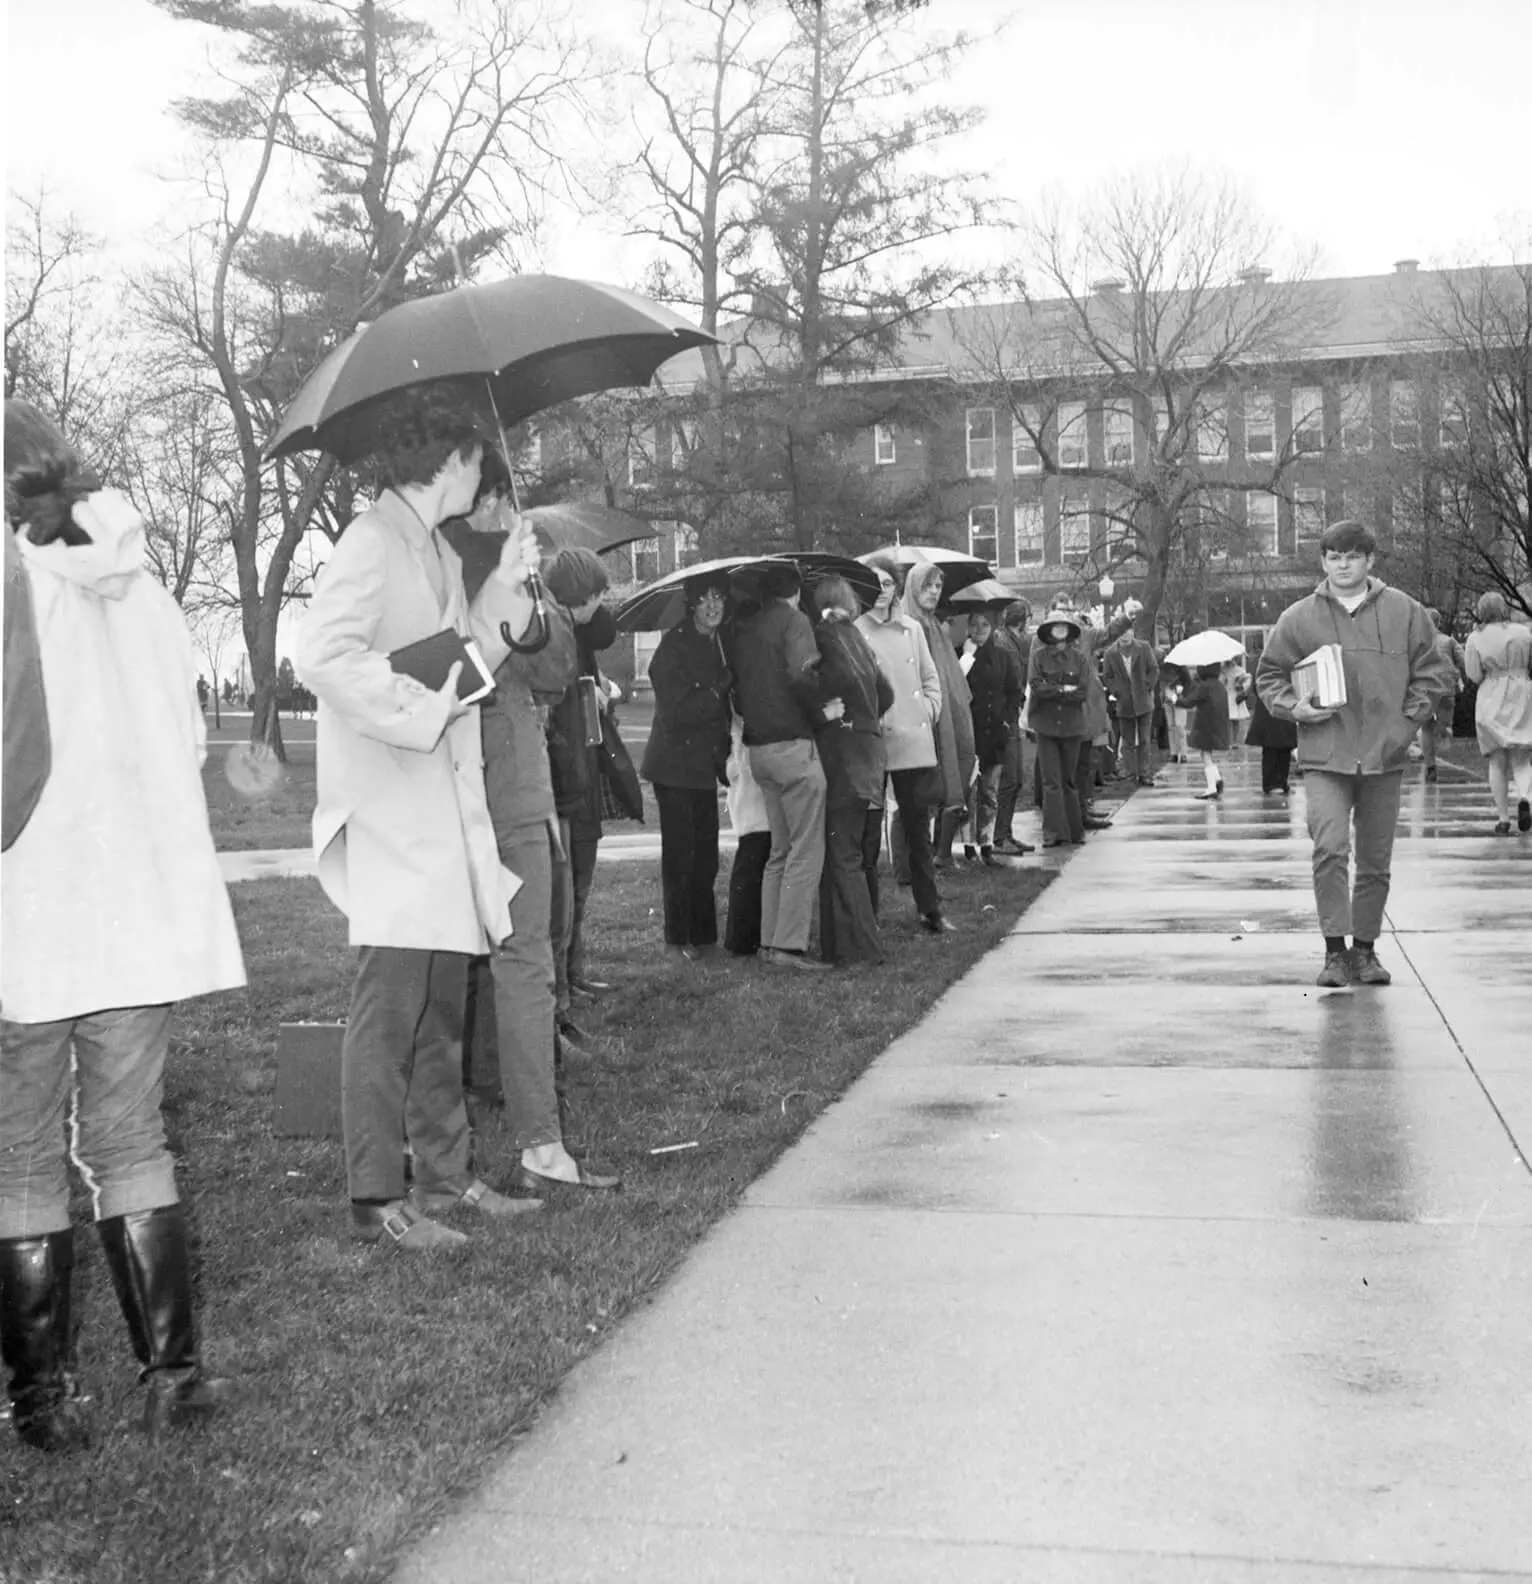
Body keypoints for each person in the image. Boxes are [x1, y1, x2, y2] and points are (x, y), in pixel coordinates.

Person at [2, 399, 246, 1447]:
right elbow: (185, 734)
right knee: (131, 1138)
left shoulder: (12, 584)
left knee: (18, 1155)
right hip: (131, 904)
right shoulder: (140, 582)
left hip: (26, 900)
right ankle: (172, 1379)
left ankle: (40, 1402)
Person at [298, 384, 543, 1251]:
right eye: (478, 458)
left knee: (442, 1006)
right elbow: (322, 656)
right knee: (390, 1009)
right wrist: (418, 704)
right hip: (391, 808)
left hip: (436, 807)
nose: (487, 473)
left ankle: (445, 1177)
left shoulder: (435, 548)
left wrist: (507, 583)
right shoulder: (369, 542)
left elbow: (470, 654)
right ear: (450, 460)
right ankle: (375, 1196)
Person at [441, 494, 619, 1196]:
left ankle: (513, 1121)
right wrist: (517, 598)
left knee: (501, 961)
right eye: (493, 498)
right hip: (493, 779)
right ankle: (521, 1141)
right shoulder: (461, 566)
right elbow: (540, 670)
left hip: (490, 779)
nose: (504, 510)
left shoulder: (474, 566)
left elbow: (552, 666)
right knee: (506, 961)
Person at [1256, 519, 1454, 988]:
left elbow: (1432, 673)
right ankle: (1334, 952)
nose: (1342, 565)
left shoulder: (1406, 612)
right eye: (1333, 557)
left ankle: (1365, 951)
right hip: (1326, 754)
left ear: (1370, 560)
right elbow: (1269, 675)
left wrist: (1405, 726)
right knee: (1329, 848)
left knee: (1375, 859)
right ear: (1323, 562)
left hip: (1384, 756)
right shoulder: (1298, 618)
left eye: (1351, 556)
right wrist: (1293, 707)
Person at [732, 561, 832, 970]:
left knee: (779, 849)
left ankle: (768, 942)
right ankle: (790, 948)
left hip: (759, 752)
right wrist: (824, 710)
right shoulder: (795, 622)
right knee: (806, 848)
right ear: (794, 592)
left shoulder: (747, 629)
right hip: (794, 746)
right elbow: (801, 674)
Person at [542, 548, 620, 1042]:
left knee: (573, 894)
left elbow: (605, 627)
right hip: (561, 779)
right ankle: (557, 1004)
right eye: (595, 595)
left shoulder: (577, 633)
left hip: (578, 773)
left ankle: (569, 983)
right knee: (560, 901)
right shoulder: (553, 634)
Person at [641, 573, 734, 956]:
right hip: (673, 765)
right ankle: (678, 937)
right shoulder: (673, 647)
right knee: (682, 855)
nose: (713, 606)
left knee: (706, 854)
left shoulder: (720, 644)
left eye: (719, 598)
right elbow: (678, 710)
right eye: (706, 599)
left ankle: (705, 935)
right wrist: (717, 691)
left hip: (702, 765)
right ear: (692, 603)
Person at [855, 556, 948, 933]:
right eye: (874, 584)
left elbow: (930, 679)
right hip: (875, 741)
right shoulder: (856, 629)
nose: (881, 591)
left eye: (888, 583)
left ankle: (931, 910)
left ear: (896, 587)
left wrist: (926, 709)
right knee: (868, 834)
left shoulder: (912, 629)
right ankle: (868, 916)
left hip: (913, 739)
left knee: (918, 831)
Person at [812, 575, 893, 965]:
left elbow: (832, 679)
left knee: (842, 853)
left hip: (843, 756)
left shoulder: (825, 637)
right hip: (870, 753)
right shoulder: (859, 639)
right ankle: (847, 943)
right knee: (855, 853)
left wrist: (827, 710)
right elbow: (886, 691)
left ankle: (859, 947)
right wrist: (865, 715)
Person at [902, 561, 976, 873]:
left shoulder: (932, 624)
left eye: (937, 586)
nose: (934, 591)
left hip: (951, 715)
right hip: (926, 719)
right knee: (925, 789)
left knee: (956, 776)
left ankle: (941, 853)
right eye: (927, 585)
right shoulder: (908, 625)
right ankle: (916, 863)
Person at [1463, 590, 1532, 834]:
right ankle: (1525, 797)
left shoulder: (1475, 639)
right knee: (1523, 757)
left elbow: (1473, 674)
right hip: (1521, 692)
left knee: (1496, 760)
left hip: (1491, 695)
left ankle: (1503, 818)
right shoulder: (1523, 633)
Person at [963, 608, 1023, 863]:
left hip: (995, 732)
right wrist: (967, 656)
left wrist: (1008, 721)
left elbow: (1014, 692)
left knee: (989, 791)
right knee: (967, 791)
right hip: (969, 731)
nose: (979, 631)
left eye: (984, 625)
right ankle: (967, 844)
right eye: (974, 625)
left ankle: (986, 842)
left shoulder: (1002, 656)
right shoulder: (962, 655)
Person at [1027, 609, 1090, 847]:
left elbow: (1082, 692)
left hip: (1072, 727)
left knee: (1069, 780)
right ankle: (1053, 833)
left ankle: (1075, 831)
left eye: (1064, 626)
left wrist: (1052, 690)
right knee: (1051, 781)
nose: (1060, 630)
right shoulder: (1038, 657)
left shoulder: (1079, 659)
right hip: (1046, 726)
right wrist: (1063, 690)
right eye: (1055, 626)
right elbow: (1036, 686)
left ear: (1070, 631)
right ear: (1048, 631)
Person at [990, 600, 1035, 854]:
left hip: (1012, 714)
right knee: (1009, 779)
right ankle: (999, 837)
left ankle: (1006, 832)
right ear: (1022, 620)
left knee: (1016, 779)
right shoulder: (1003, 643)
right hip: (1003, 719)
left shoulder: (1012, 642)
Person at [1103, 621, 1160, 787]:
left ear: (1132, 632)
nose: (1125, 635)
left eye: (1128, 632)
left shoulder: (1143, 648)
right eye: (1122, 632)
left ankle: (1144, 773)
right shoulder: (1110, 653)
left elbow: (1153, 669)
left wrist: (1148, 686)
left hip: (1143, 702)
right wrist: (1116, 692)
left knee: (1144, 740)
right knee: (1127, 741)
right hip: (1124, 702)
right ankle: (1130, 773)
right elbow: (1108, 676)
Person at [1419, 607, 1466, 783]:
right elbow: (1463, 662)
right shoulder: (1450, 642)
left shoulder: (1418, 643)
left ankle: (1430, 766)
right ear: (1439, 623)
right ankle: (1443, 731)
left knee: (1425, 728)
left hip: (1425, 689)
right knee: (1445, 723)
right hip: (1446, 688)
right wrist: (1461, 678)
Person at [1179, 662, 1232, 799]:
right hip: (1218, 724)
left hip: (1206, 725)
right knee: (1205, 753)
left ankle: (1211, 787)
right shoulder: (1220, 686)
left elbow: (1189, 702)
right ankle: (1217, 779)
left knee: (1206, 755)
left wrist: (1175, 698)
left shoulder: (1205, 686)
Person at [1244, 667, 1297, 795]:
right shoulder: (1289, 666)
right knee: (1284, 751)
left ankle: (1269, 783)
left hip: (1268, 713)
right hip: (1283, 712)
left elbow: (1256, 689)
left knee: (1270, 752)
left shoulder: (1264, 668)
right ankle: (1281, 782)